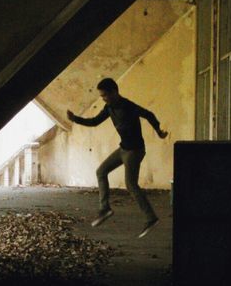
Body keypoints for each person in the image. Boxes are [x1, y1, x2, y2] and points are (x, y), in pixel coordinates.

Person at [66, 77, 168, 236]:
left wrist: (159, 131)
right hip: (123, 149)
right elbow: (94, 122)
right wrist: (75, 119)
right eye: (101, 96)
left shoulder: (128, 106)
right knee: (101, 171)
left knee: (131, 185)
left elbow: (149, 114)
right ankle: (105, 209)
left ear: (114, 92)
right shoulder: (108, 108)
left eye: (105, 95)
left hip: (135, 151)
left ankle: (151, 218)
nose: (103, 99)